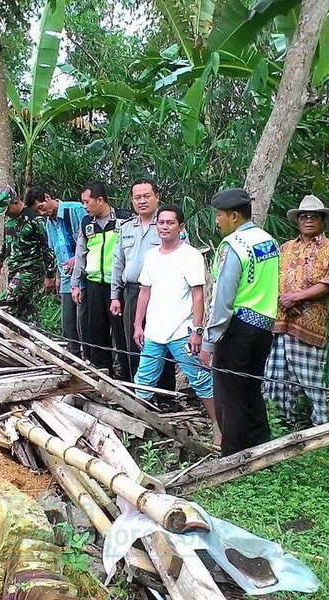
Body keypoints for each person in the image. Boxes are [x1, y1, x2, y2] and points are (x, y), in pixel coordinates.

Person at [132, 204, 221, 445]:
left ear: (180, 227)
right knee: (143, 381)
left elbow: (198, 296)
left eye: (170, 223)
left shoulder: (190, 256)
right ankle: (136, 428)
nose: (165, 227)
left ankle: (219, 427)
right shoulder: (151, 256)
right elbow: (144, 293)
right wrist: (138, 325)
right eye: (161, 222)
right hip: (154, 331)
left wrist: (197, 331)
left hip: (182, 330)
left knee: (200, 380)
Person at [200, 188, 279, 456]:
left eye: (219, 215)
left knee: (229, 394)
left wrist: (210, 340)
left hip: (237, 327)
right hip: (264, 327)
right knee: (251, 388)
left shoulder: (233, 245)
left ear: (234, 216)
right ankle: (262, 447)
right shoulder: (269, 241)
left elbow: (223, 297)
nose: (217, 220)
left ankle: (233, 455)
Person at [264, 195, 329, 427]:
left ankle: (321, 425)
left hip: (310, 325)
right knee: (277, 377)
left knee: (310, 378)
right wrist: (281, 298)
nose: (308, 220)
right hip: (281, 322)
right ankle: (282, 424)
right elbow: (271, 277)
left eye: (313, 216)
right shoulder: (285, 248)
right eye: (304, 216)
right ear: (298, 220)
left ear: (322, 220)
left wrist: (296, 297)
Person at [110, 178, 177, 388]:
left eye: (147, 196)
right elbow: (118, 262)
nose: (142, 201)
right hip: (132, 292)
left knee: (163, 340)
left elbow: (182, 258)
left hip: (162, 293)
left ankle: (165, 393)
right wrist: (115, 296)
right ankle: (137, 390)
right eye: (137, 197)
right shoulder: (126, 227)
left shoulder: (168, 224)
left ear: (157, 197)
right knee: (134, 340)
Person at [70, 182, 126, 373]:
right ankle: (103, 371)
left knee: (121, 332)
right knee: (96, 331)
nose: (84, 206)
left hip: (117, 285)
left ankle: (127, 374)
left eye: (87, 202)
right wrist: (75, 284)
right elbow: (80, 253)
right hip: (93, 284)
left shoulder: (123, 219)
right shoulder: (87, 222)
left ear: (100, 200)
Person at [26, 185, 88, 356]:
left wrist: (77, 258)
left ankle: (91, 358)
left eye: (41, 207)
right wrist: (57, 276)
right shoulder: (49, 223)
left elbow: (93, 238)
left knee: (85, 321)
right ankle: (74, 357)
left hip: (86, 274)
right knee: (68, 322)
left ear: (47, 197)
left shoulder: (75, 210)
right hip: (67, 276)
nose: (42, 212)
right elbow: (55, 251)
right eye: (38, 211)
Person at [0, 185, 56, 320]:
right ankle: (31, 330)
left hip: (30, 270)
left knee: (5, 302)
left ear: (15, 202)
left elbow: (47, 248)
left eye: (7, 209)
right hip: (14, 270)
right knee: (24, 310)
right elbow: (7, 243)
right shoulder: (9, 220)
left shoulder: (34, 219)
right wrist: (0, 261)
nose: (6, 213)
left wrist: (50, 275)